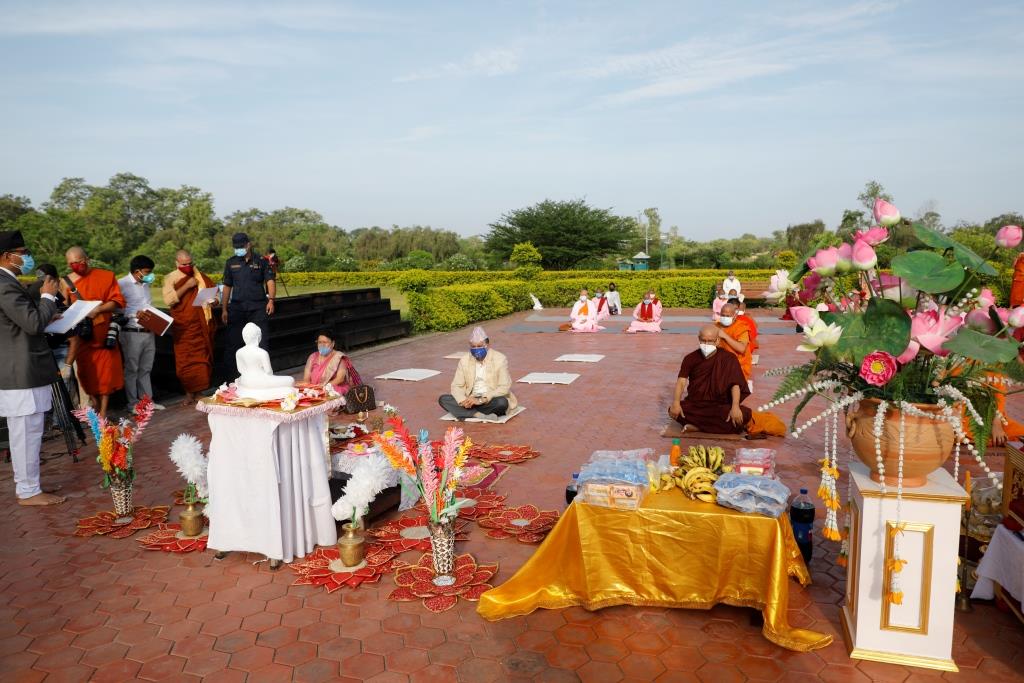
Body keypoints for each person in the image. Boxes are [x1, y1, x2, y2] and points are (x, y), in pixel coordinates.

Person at [0, 231, 66, 505]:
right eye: (22, 252)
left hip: (29, 367)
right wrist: (48, 298)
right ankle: (27, 491)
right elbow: (32, 323)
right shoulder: (3, 284)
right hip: (20, 370)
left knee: (33, 430)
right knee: (24, 432)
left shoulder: (9, 281)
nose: (27, 257)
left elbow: (28, 322)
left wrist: (51, 314)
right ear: (6, 256)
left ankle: (32, 485)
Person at [668, 325, 784, 436]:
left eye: (711, 341)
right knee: (674, 410)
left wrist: (735, 407)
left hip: (720, 405)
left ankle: (697, 426)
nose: (706, 344)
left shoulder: (728, 358)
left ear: (718, 341)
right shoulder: (690, 358)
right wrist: (676, 403)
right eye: (703, 341)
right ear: (698, 339)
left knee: (742, 416)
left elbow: (735, 385)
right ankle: (705, 427)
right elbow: (681, 381)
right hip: (696, 404)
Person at [60, 247, 125, 418]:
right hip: (83, 337)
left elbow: (117, 301)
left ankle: (103, 412)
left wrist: (99, 309)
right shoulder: (66, 282)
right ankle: (95, 405)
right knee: (87, 376)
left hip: (104, 335)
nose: (77, 265)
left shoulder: (106, 276)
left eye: (80, 261)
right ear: (68, 264)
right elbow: (63, 308)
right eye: (72, 263)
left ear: (87, 259)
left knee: (107, 376)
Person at [162, 250, 218, 406]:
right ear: (177, 263)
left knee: (202, 358)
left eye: (190, 263)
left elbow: (214, 294)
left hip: (200, 326)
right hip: (183, 327)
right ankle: (188, 393)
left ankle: (199, 392)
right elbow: (169, 300)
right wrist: (187, 286)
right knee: (185, 362)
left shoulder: (200, 276)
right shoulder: (171, 278)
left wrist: (214, 301)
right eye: (184, 264)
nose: (188, 266)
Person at [221, 232, 276, 378]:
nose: (239, 249)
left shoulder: (261, 261)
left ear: (248, 245)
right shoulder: (231, 263)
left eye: (241, 246)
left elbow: (270, 281)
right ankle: (233, 379)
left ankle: (264, 376)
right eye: (236, 247)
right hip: (237, 308)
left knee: (261, 342)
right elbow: (227, 286)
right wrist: (224, 308)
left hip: (258, 307)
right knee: (233, 343)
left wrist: (271, 300)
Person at [438, 326, 517, 421]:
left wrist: (481, 400)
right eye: (473, 347)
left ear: (487, 345)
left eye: (479, 346)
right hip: (470, 399)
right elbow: (456, 385)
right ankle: (477, 414)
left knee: (502, 402)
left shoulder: (500, 359)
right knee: (444, 399)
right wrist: (463, 401)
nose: (476, 349)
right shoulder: (464, 360)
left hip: (488, 399)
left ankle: (466, 412)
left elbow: (504, 387)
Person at [117, 255, 165, 411]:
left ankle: (147, 402)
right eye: (147, 272)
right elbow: (116, 309)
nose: (150, 275)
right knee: (132, 369)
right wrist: (133, 314)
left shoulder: (145, 285)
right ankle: (132, 404)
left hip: (148, 331)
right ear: (137, 271)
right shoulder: (122, 284)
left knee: (145, 369)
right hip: (131, 332)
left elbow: (147, 306)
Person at [302, 330, 361, 395]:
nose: (322, 345)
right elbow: (306, 379)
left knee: (330, 392)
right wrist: (310, 389)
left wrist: (323, 387)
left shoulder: (338, 357)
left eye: (325, 342)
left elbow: (340, 379)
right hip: (314, 388)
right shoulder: (312, 357)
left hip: (331, 387)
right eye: (320, 342)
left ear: (332, 343)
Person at [716, 302, 753, 390]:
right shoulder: (716, 326)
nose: (725, 318)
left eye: (728, 316)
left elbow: (741, 349)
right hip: (720, 363)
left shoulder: (741, 327)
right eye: (723, 315)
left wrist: (724, 336)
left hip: (738, 364)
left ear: (735, 316)